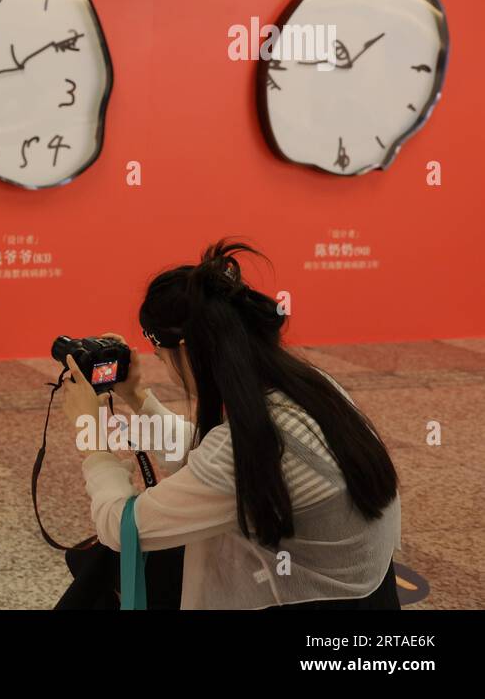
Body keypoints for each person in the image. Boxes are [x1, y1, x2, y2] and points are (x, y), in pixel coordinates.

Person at [58, 240, 401, 609]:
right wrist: (137, 396)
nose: (169, 370)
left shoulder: (249, 446)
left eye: (162, 357)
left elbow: (122, 528)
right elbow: (205, 460)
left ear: (188, 350)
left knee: (112, 560)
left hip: (311, 601)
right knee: (115, 562)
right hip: (365, 592)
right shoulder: (308, 386)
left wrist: (90, 436)